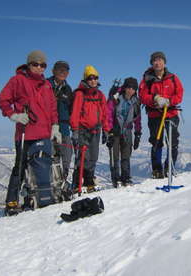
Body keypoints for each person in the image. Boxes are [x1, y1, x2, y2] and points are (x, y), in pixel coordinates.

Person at [0, 50, 61, 216]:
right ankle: (12, 201)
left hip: (44, 133)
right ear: (29, 64)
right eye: (35, 64)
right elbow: (3, 100)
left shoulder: (46, 85)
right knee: (20, 166)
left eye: (43, 65)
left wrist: (55, 126)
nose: (39, 68)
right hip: (26, 132)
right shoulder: (18, 80)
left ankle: (41, 196)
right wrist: (14, 115)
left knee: (45, 166)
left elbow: (53, 108)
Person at [139, 51, 184, 179]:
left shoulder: (173, 78)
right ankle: (157, 170)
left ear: (164, 62)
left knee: (173, 142)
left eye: (159, 60)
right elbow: (142, 96)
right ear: (152, 63)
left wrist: (169, 101)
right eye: (154, 60)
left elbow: (179, 93)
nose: (157, 63)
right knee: (156, 141)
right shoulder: (147, 79)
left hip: (171, 113)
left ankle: (170, 167)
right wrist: (155, 98)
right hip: (155, 115)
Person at [70, 65, 110, 193]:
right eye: (90, 78)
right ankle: (77, 183)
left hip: (96, 130)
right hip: (82, 130)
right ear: (86, 80)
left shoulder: (100, 95)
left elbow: (104, 114)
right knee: (82, 157)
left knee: (93, 156)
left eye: (95, 78)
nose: (93, 81)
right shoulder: (80, 94)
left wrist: (106, 130)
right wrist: (75, 131)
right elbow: (75, 113)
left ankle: (89, 181)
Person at [106, 77, 142, 187]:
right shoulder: (116, 98)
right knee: (115, 156)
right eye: (129, 87)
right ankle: (115, 178)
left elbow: (137, 119)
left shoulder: (135, 102)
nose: (131, 90)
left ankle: (126, 178)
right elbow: (108, 114)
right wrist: (109, 131)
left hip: (127, 132)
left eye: (133, 88)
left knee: (126, 156)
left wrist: (138, 133)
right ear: (125, 88)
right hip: (115, 131)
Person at [47, 61, 74, 180]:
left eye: (66, 70)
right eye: (60, 69)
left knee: (67, 154)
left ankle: (63, 179)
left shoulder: (67, 89)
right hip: (48, 127)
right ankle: (55, 181)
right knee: (53, 156)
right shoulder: (46, 85)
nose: (63, 72)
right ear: (53, 71)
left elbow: (71, 109)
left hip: (64, 127)